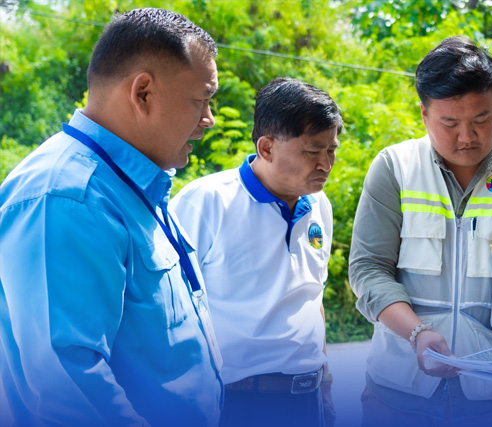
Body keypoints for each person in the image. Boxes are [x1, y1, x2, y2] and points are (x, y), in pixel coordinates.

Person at [0, 8, 222, 426]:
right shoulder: (69, 197)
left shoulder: (130, 185)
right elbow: (70, 389)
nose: (208, 120)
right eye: (202, 100)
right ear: (143, 93)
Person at [349, 36, 492, 426]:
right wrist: (418, 333)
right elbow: (368, 269)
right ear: (424, 113)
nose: (467, 137)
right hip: (398, 393)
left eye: (482, 119)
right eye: (450, 123)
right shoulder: (395, 168)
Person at [170, 77, 342, 427]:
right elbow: (171, 309)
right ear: (266, 148)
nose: (326, 164)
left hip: (308, 400)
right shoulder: (206, 203)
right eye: (313, 151)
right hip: (236, 402)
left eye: (331, 150)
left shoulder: (318, 205)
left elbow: (314, 296)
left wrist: (324, 384)